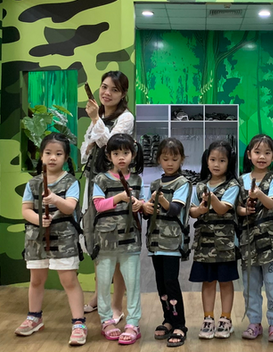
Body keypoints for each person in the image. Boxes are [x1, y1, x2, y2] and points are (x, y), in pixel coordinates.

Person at [15, 133, 87, 346]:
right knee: (36, 280)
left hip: (64, 238)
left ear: (66, 157)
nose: (53, 157)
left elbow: (70, 207)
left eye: (58, 154)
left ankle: (79, 323)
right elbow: (25, 210)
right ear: (41, 156)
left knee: (69, 280)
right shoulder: (33, 183)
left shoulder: (71, 181)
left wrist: (55, 199)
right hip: (36, 239)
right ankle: (34, 318)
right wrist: (38, 220)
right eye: (48, 153)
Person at [80, 71, 133, 316]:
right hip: (94, 182)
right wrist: (94, 129)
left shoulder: (126, 118)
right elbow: (85, 151)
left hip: (114, 185)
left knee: (117, 245)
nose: (106, 93)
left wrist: (94, 121)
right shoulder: (99, 116)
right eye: (104, 87)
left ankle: (116, 304)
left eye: (114, 89)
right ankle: (98, 295)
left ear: (123, 94)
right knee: (96, 241)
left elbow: (110, 146)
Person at [90, 133, 145, 345]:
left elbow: (140, 204)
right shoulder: (100, 179)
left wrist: (139, 205)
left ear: (133, 154)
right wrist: (120, 197)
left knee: (133, 284)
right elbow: (99, 205)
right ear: (108, 155)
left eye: (125, 153)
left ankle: (133, 323)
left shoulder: (137, 179)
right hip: (105, 241)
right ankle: (106, 320)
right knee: (104, 284)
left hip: (130, 240)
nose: (121, 157)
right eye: (116, 153)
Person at [237, 134, 273, 342]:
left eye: (267, 153)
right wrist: (244, 210)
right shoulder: (241, 179)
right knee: (250, 286)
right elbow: (236, 209)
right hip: (248, 242)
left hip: (272, 243)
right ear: (249, 154)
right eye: (257, 152)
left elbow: (271, 203)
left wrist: (258, 195)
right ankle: (254, 322)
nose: (262, 157)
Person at [189, 140, 240, 340]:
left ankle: (226, 319)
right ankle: (208, 319)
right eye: (212, 159)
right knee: (208, 282)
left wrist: (211, 199)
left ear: (229, 163)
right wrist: (200, 209)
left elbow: (222, 209)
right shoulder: (200, 185)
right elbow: (192, 211)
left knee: (226, 282)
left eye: (222, 160)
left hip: (225, 244)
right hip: (204, 243)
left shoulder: (233, 185)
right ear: (206, 160)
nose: (216, 164)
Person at [143, 138, 191, 347]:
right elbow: (147, 213)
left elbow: (174, 210)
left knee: (171, 282)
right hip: (155, 242)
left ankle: (180, 324)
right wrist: (145, 207)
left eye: (174, 158)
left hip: (171, 243)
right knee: (161, 283)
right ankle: (168, 319)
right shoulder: (155, 184)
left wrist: (160, 200)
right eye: (165, 159)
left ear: (181, 159)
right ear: (158, 160)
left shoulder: (183, 183)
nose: (170, 163)